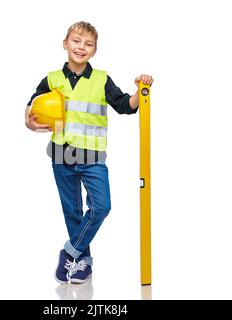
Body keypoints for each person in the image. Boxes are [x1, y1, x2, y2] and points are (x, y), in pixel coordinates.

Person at [25, 21, 153, 284]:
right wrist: (29, 120)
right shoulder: (52, 79)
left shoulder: (101, 79)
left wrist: (141, 90)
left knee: (101, 206)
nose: (81, 47)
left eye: (88, 44)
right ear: (65, 44)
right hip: (61, 156)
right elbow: (32, 107)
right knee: (72, 212)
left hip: (92, 158)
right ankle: (83, 265)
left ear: (94, 50)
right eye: (76, 41)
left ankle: (69, 253)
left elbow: (125, 105)